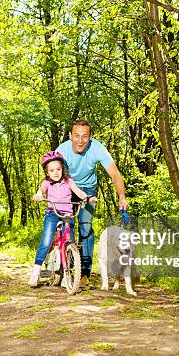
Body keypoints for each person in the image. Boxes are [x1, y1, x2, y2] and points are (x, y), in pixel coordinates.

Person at [56, 119, 128, 287]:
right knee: (68, 225)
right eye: (76, 136)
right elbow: (51, 173)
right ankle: (67, 267)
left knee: (86, 228)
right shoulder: (62, 150)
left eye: (85, 136)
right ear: (70, 136)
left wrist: (122, 197)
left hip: (88, 191)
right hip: (67, 188)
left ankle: (84, 273)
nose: (80, 140)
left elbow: (115, 174)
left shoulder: (97, 148)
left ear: (90, 138)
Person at [29, 151, 92, 287]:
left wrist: (87, 198)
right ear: (47, 172)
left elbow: (79, 192)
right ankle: (35, 272)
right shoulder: (46, 183)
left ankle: (66, 275)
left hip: (68, 215)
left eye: (58, 169)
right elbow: (41, 190)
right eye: (52, 170)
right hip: (52, 213)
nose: (56, 172)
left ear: (63, 169)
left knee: (70, 243)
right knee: (46, 242)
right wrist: (39, 195)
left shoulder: (69, 181)